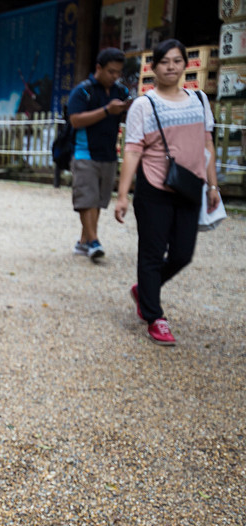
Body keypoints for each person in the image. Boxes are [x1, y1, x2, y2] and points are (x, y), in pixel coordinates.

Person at [114, 38, 219, 346]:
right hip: (154, 187)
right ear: (154, 67)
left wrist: (213, 186)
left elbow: (207, 144)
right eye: (164, 62)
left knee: (183, 253)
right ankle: (154, 316)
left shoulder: (199, 100)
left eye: (176, 61)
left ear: (185, 64)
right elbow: (132, 150)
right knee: (151, 251)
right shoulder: (144, 105)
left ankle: (144, 289)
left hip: (190, 186)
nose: (171, 67)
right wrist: (123, 194)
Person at [66, 47, 131, 261]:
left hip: (108, 153)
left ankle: (84, 241)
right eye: (111, 71)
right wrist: (106, 111)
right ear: (99, 68)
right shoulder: (82, 91)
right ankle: (94, 242)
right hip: (84, 152)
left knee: (99, 200)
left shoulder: (120, 91)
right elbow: (75, 120)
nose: (115, 76)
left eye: (118, 72)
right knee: (88, 199)